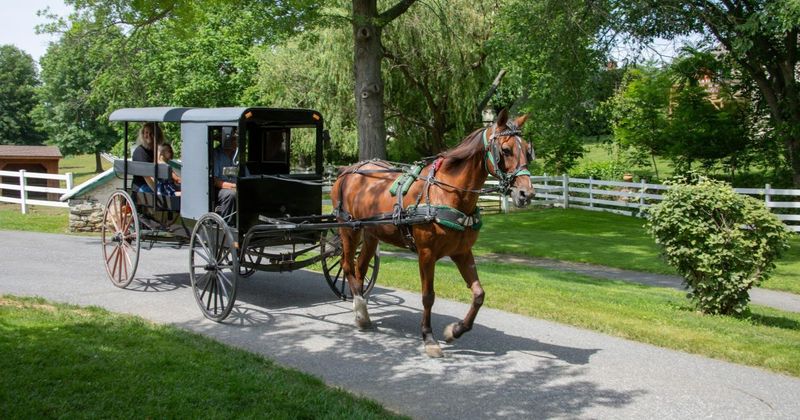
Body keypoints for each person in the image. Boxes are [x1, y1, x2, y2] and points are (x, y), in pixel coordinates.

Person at [212, 128, 238, 221]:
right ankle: (228, 224)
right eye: (234, 139)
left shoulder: (237, 155)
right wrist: (233, 186)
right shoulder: (216, 155)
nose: (237, 142)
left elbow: (245, 174)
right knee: (231, 194)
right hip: (220, 189)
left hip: (237, 187)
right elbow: (215, 181)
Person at [131, 123, 165, 193]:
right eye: (146, 133)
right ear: (143, 134)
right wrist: (158, 192)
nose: (148, 135)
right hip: (142, 185)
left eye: (152, 133)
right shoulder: (140, 152)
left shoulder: (158, 150)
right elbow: (147, 177)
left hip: (157, 183)